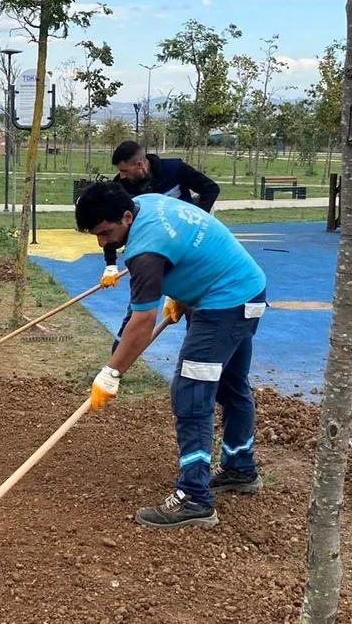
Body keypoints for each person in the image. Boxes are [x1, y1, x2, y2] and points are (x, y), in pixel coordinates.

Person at [76, 181, 266, 529]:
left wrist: (111, 372)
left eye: (105, 233)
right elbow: (181, 249)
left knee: (191, 392)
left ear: (126, 217)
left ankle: (194, 498)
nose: (102, 243)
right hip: (246, 289)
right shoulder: (144, 203)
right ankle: (240, 467)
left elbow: (141, 322)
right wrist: (182, 291)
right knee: (230, 383)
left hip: (223, 304)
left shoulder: (144, 252)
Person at [100, 141, 222, 352]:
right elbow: (110, 225)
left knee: (194, 305)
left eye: (125, 171)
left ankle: (195, 354)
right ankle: (116, 359)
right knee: (138, 307)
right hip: (150, 254)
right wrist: (110, 265)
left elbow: (211, 188)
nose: (121, 176)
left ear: (140, 165)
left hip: (187, 253)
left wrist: (197, 220)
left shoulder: (174, 169)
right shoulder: (121, 188)